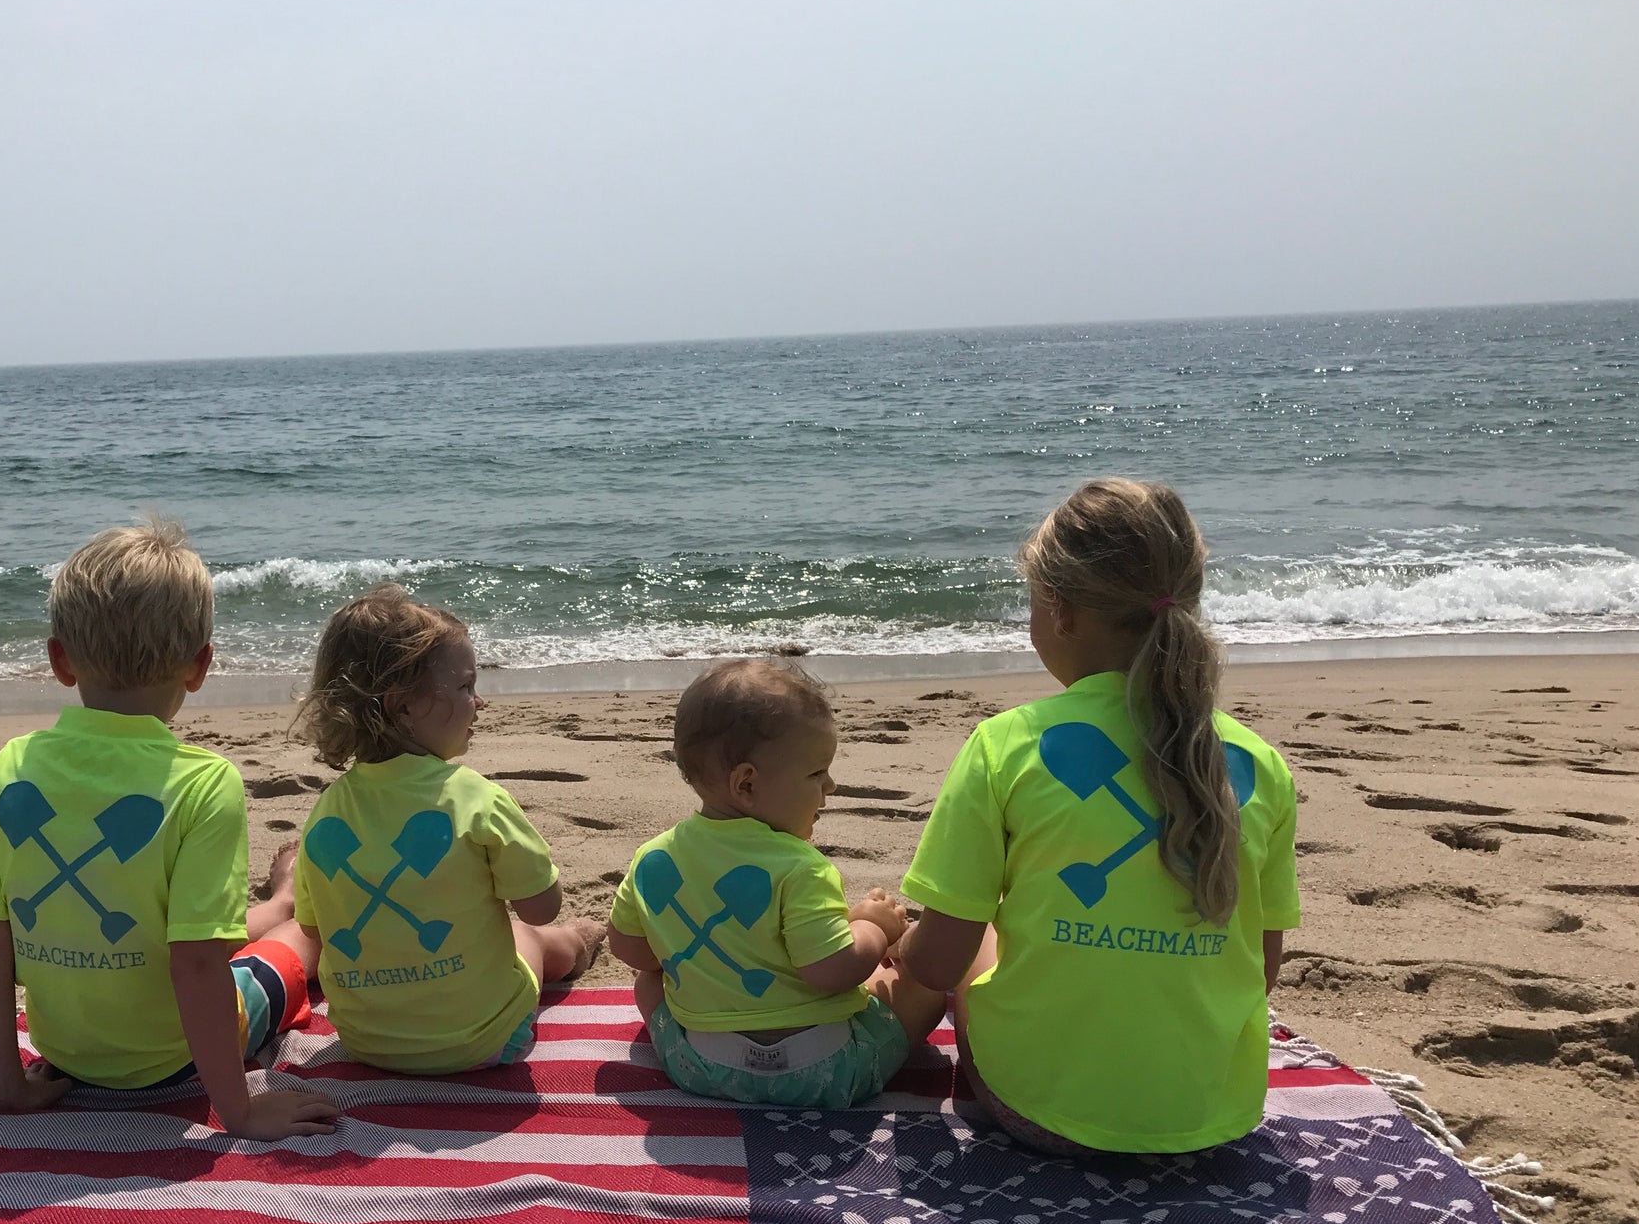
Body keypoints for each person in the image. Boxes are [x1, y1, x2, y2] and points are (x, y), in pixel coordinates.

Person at [897, 478, 1300, 1155]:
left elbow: (937, 963)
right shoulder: (1256, 763)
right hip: (1211, 1117)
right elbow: (1259, 970)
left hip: (1040, 1111)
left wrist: (892, 947)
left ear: (1058, 610)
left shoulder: (1006, 746)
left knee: (976, 939)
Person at [0, 516, 337, 1140]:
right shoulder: (201, 783)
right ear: (200, 665)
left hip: (68, 1053)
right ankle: (289, 908)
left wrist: (3, 1084)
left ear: (60, 660)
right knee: (296, 945)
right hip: (172, 1058)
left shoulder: (12, 769)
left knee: (205, 925)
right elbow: (196, 966)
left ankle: (280, 898)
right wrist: (237, 1110)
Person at [607, 658, 981, 1109]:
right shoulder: (801, 867)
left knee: (648, 982)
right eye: (816, 773)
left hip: (702, 1068)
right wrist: (873, 929)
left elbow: (631, 951)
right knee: (918, 984)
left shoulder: (653, 859)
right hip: (826, 1071)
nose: (832, 786)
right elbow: (831, 973)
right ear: (746, 784)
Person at [289, 585, 605, 1074]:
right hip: (486, 1041)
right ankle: (580, 945)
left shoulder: (326, 812)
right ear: (404, 705)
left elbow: (313, 928)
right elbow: (541, 908)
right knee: (533, 938)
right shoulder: (475, 797)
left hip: (365, 1042)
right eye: (464, 686)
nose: (479, 702)